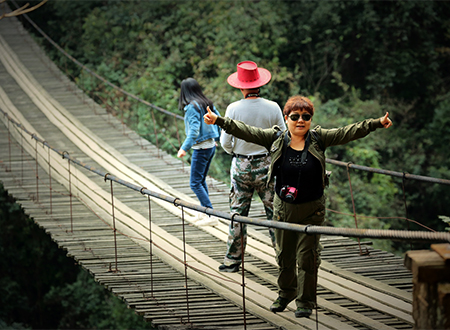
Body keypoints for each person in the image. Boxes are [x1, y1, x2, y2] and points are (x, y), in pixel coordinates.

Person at [204, 95, 392, 318]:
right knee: (284, 256)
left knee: (307, 258)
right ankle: (286, 293)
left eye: (306, 116)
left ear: (311, 119)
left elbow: (347, 132)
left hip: (312, 210)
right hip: (283, 209)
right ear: (286, 118)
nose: (300, 120)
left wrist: (375, 123)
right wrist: (219, 121)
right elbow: (245, 130)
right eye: (295, 117)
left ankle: (305, 302)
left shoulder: (319, 138)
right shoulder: (275, 138)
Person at [219, 61, 286, 273]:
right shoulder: (273, 107)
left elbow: (224, 142)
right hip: (267, 167)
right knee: (275, 213)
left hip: (241, 166)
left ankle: (232, 261)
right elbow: (283, 137)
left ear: (241, 86)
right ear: (259, 83)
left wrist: (236, 153)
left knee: (237, 213)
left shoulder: (233, 109)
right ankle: (284, 259)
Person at [177, 77, 221, 226]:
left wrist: (184, 148)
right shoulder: (207, 103)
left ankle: (211, 214)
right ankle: (204, 212)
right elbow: (219, 120)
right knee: (201, 180)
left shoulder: (191, 108)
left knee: (195, 183)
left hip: (201, 149)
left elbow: (194, 131)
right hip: (211, 147)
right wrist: (218, 137)